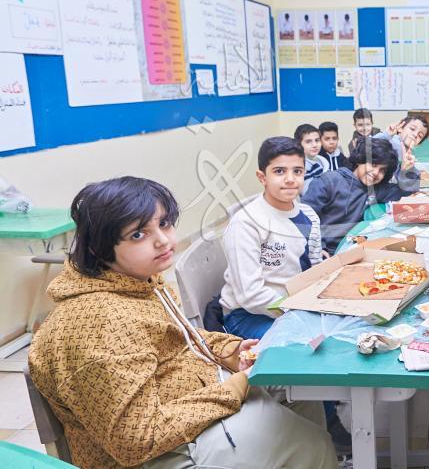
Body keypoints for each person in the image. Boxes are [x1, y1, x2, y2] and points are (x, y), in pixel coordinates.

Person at [28, 177, 335, 469]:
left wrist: (229, 350)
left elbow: (177, 336)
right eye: (138, 235)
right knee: (313, 444)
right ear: (99, 247)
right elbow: (136, 439)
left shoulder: (139, 281)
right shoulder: (98, 325)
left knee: (297, 387)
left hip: (190, 399)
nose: (163, 241)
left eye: (163, 224)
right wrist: (234, 388)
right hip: (157, 455)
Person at [219, 137, 322, 340]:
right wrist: (297, 312)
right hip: (248, 315)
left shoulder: (310, 215)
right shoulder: (246, 223)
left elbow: (316, 270)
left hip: (297, 304)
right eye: (279, 171)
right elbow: (250, 294)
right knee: (305, 345)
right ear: (262, 177)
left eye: (297, 171)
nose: (290, 179)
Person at [304, 138, 405, 253]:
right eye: (373, 164)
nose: (376, 172)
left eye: (382, 170)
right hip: (324, 251)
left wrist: (407, 171)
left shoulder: (376, 189)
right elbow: (305, 218)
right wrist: (319, 248)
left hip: (352, 248)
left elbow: (406, 192)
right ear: (360, 160)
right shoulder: (328, 181)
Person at [374, 113, 428, 193]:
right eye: (412, 129)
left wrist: (414, 171)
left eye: (420, 136)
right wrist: (386, 135)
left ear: (418, 143)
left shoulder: (407, 153)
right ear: (400, 129)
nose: (415, 135)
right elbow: (367, 146)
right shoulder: (394, 144)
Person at [294, 123, 329, 189]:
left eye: (317, 140)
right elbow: (308, 192)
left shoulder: (322, 161)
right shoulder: (302, 169)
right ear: (298, 145)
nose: (314, 145)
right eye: (308, 142)